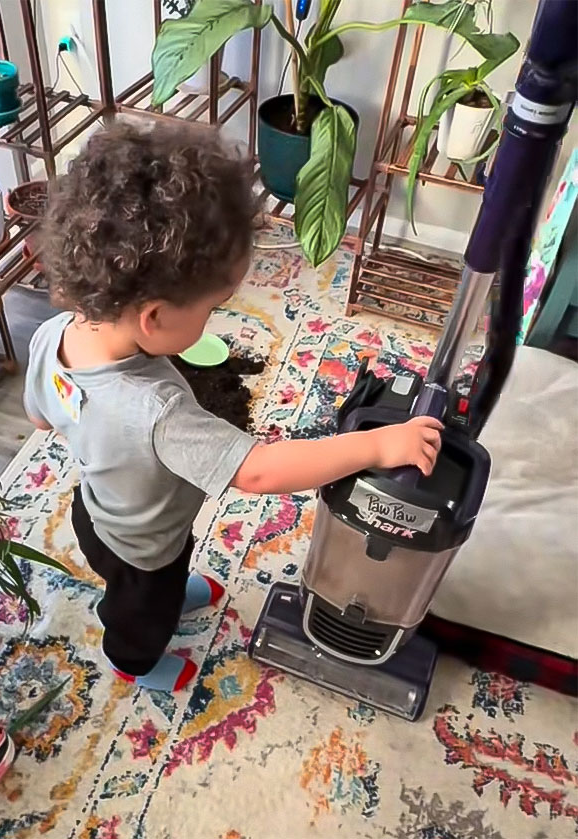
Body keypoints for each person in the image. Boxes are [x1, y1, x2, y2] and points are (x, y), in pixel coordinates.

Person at [24, 121, 442, 693]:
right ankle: (131, 659)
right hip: (144, 550)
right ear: (154, 317)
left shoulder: (51, 336)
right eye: (212, 308)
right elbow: (258, 470)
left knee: (161, 574)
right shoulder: (159, 411)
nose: (214, 319)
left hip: (96, 512)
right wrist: (374, 445)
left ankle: (164, 596)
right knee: (142, 611)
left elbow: (39, 416)